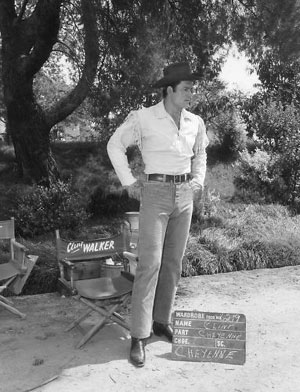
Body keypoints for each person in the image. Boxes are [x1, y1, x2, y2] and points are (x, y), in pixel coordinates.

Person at [107, 62, 209, 367]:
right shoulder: (143, 117)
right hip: (155, 194)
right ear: (169, 89)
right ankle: (138, 335)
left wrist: (198, 179)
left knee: (173, 263)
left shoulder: (195, 121)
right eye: (187, 88)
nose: (192, 93)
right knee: (149, 264)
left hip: (184, 196)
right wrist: (128, 181)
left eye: (193, 88)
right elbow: (114, 145)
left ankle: (161, 321)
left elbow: (201, 152)